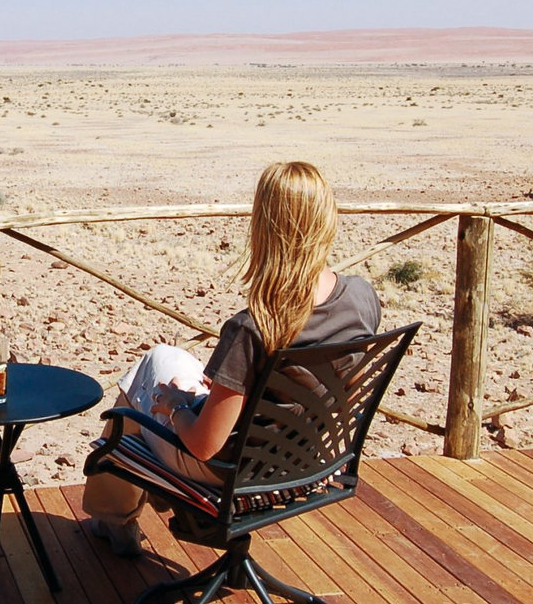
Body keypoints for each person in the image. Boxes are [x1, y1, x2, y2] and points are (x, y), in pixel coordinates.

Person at [82, 160, 381, 557]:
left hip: (233, 474)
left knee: (134, 402)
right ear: (327, 219)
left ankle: (115, 520)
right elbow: (334, 389)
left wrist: (175, 408)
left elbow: (205, 446)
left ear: (265, 227)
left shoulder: (255, 327)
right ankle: (119, 515)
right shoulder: (361, 297)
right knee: (166, 356)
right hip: (305, 463)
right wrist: (245, 393)